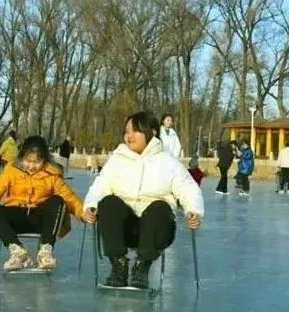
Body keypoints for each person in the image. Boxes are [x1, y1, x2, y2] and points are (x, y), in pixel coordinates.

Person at [83, 112, 203, 289]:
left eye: (135, 131)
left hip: (156, 230)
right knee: (108, 203)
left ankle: (142, 267)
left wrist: (193, 210)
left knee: (160, 207)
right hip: (124, 229)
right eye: (126, 131)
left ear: (151, 132)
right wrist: (90, 206)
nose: (129, 136)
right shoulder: (117, 159)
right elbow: (99, 187)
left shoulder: (167, 162)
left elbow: (188, 188)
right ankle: (119, 266)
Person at [0, 135, 84, 271]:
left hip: (40, 219)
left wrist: (84, 213)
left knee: (57, 201)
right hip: (16, 217)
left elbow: (69, 197)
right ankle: (18, 252)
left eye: (37, 162)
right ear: (21, 157)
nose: (31, 166)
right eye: (27, 161)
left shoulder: (52, 174)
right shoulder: (11, 171)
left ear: (45, 160)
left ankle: (45, 252)